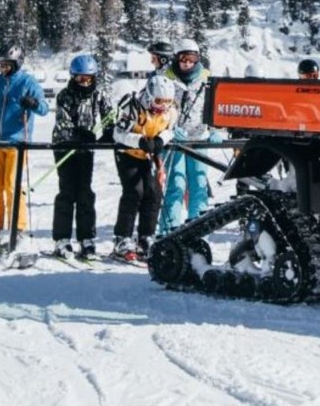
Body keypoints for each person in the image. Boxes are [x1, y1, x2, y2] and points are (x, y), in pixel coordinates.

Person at [0, 48, 48, 250]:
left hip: (16, 143)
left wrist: (33, 103)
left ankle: (18, 227)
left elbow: (43, 108)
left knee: (12, 186)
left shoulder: (27, 82)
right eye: (0, 65)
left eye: (7, 64)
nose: (3, 68)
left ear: (17, 64)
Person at [51, 54, 115, 260]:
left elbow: (109, 114)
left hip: (85, 148)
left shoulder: (98, 94)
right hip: (65, 147)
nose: (84, 83)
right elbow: (63, 122)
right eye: (80, 78)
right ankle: (62, 239)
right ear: (73, 77)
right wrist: (78, 134)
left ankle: (86, 238)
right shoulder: (65, 95)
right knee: (67, 191)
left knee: (85, 192)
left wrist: (108, 132)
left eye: (88, 78)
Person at [155, 39, 220, 235]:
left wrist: (215, 129)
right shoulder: (164, 77)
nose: (187, 63)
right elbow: (156, 109)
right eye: (183, 58)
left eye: (192, 59)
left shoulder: (206, 78)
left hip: (199, 137)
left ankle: (197, 230)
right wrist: (169, 128)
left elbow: (213, 106)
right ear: (176, 57)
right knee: (176, 183)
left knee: (199, 184)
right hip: (174, 139)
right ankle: (168, 230)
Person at [111, 77, 176, 261]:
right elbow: (118, 133)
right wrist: (139, 140)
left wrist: (161, 139)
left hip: (148, 154)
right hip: (127, 152)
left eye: (167, 102)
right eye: (158, 101)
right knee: (134, 191)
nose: (163, 106)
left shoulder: (170, 112)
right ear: (148, 96)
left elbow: (171, 129)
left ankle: (146, 236)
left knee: (153, 193)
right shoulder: (133, 107)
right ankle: (122, 238)